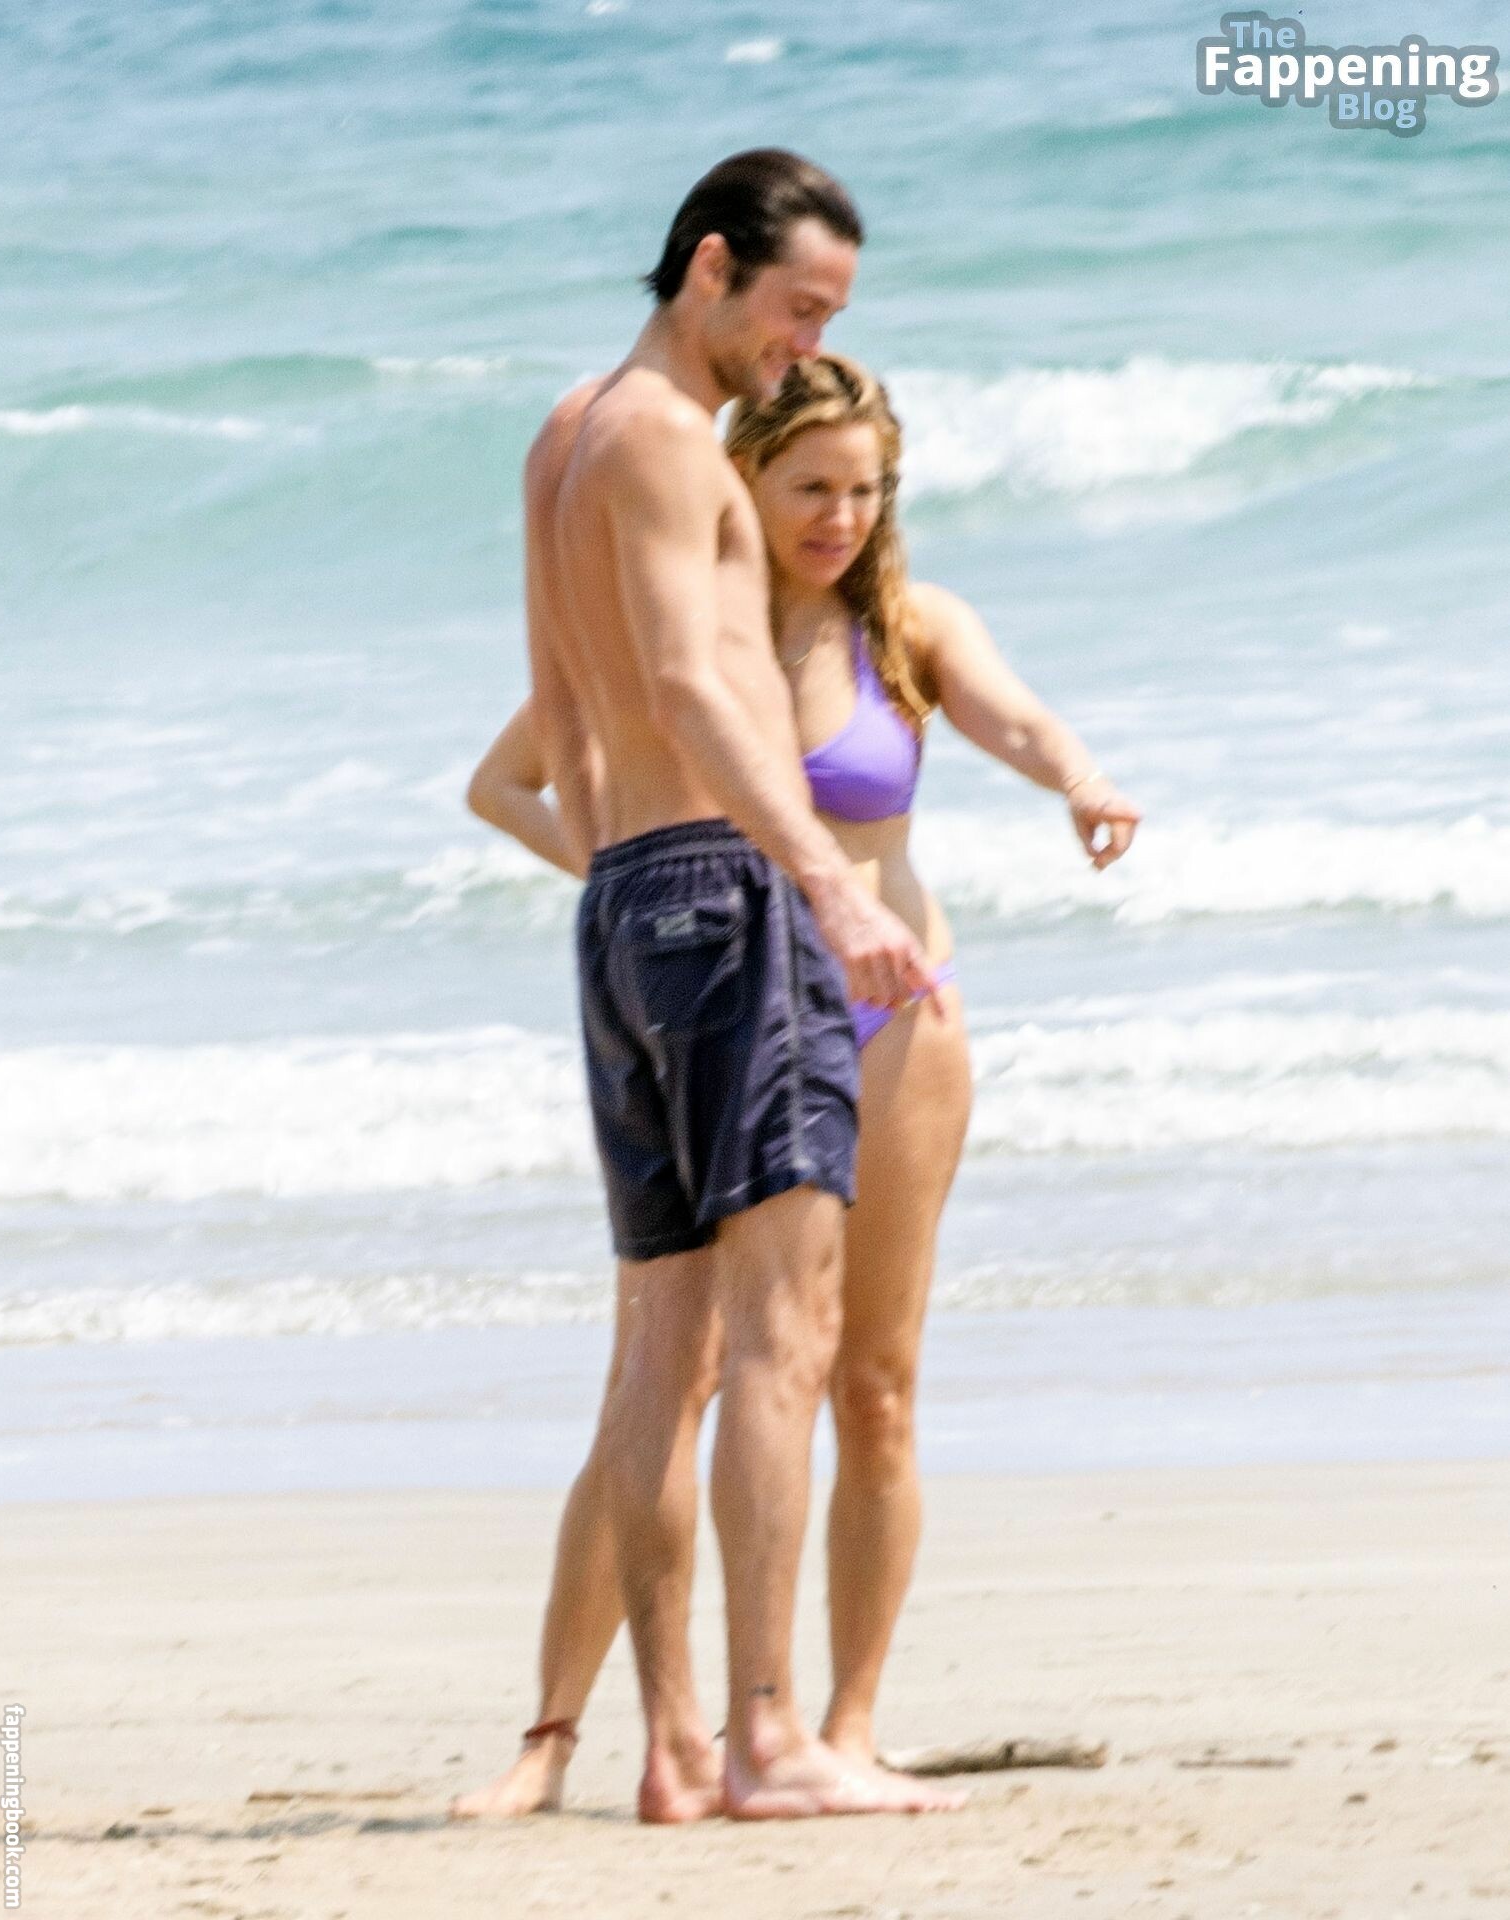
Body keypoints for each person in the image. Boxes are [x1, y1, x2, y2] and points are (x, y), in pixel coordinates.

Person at [453, 353, 1141, 1821]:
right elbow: (506, 780)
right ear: (744, 480)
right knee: (672, 1374)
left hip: (898, 1025)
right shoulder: (684, 630)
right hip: (731, 1012)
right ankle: (551, 1735)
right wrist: (632, 886)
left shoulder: (907, 625)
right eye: (809, 486)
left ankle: (846, 1727)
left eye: (863, 489)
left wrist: (1081, 781)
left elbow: (1016, 719)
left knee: (871, 1384)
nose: (838, 516)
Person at [475, 148, 962, 1826]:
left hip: (622, 901)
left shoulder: (564, 433)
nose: (803, 345)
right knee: (781, 1335)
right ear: (706, 267)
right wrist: (818, 881)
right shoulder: (675, 440)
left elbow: (558, 703)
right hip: (732, 895)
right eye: (794, 309)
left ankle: (672, 1748)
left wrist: (645, 890)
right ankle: (768, 1736)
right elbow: (689, 682)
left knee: (657, 1346)